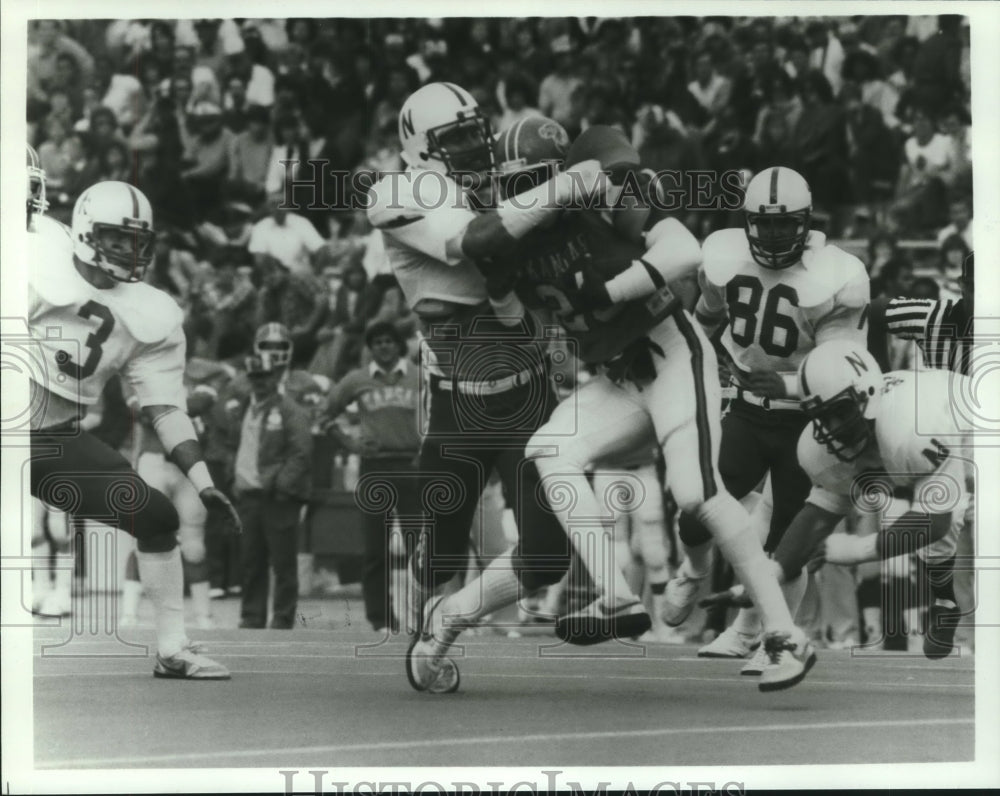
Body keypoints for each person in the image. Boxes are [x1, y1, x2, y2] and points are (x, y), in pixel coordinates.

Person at [411, 121, 816, 694]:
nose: (526, 195)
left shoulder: (605, 201)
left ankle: (783, 633)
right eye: (516, 185)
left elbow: (684, 249)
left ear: (564, 177)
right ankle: (579, 600)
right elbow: (513, 320)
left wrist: (609, 290)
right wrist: (502, 288)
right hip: (618, 377)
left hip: (670, 353)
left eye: (536, 181)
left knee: (698, 493)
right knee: (549, 450)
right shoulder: (509, 245)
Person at [366, 83, 607, 695]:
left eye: (479, 134)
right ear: (419, 148)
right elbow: (483, 241)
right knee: (437, 559)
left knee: (549, 555)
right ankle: (432, 592)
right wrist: (567, 185)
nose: (476, 149)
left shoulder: (504, 184)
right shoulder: (399, 192)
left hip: (528, 397)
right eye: (458, 139)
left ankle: (451, 620)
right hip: (456, 409)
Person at [27, 178, 240, 679]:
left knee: (155, 515)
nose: (128, 249)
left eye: (137, 240)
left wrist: (203, 481)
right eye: (116, 237)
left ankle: (173, 647)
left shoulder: (155, 312)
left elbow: (164, 408)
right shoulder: (32, 258)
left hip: (51, 441)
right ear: (83, 231)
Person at [668, 166, 869, 671]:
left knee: (784, 543)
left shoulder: (837, 275)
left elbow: (841, 374)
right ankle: (691, 573)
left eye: (786, 224)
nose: (775, 234)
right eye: (765, 223)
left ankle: (752, 636)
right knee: (694, 508)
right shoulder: (722, 256)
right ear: (748, 221)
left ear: (806, 222)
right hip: (747, 413)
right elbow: (704, 326)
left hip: (806, 423)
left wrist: (787, 384)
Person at [701, 339, 973, 660]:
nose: (832, 428)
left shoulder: (910, 425)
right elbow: (817, 516)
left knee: (959, 516)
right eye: (822, 416)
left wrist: (848, 549)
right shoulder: (829, 443)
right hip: (939, 449)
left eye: (839, 413)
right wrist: (767, 579)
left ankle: (945, 600)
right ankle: (946, 602)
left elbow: (936, 522)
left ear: (868, 395)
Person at [322, 322, 422, 633]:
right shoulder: (358, 379)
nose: (384, 347)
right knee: (376, 548)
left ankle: (420, 615)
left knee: (418, 545)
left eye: (389, 341)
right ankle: (381, 619)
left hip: (412, 465)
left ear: (399, 345)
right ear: (371, 347)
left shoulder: (420, 376)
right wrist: (349, 442)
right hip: (375, 467)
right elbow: (325, 414)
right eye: (377, 342)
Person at [229, 352, 314, 629]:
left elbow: (301, 451)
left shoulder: (291, 409)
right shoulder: (243, 406)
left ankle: (282, 616)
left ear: (275, 376)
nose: (260, 382)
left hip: (277, 496)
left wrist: (282, 485)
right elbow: (232, 443)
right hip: (248, 494)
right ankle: (252, 615)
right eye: (255, 377)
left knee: (283, 561)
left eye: (265, 376)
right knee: (251, 559)